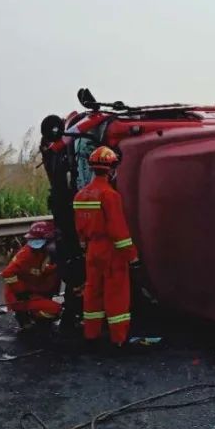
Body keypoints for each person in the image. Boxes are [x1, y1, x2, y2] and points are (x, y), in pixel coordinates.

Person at [73, 146, 139, 350]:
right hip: (111, 251)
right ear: (111, 168)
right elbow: (118, 230)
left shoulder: (81, 195)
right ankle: (118, 338)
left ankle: (91, 334)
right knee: (116, 294)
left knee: (93, 292)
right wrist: (132, 256)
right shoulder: (110, 195)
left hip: (92, 250)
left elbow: (80, 230)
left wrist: (86, 244)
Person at [2, 221, 62, 330]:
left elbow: (39, 270)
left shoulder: (42, 254)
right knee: (55, 309)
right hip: (22, 296)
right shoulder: (27, 254)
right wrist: (21, 292)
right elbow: (8, 273)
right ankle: (26, 314)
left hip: (33, 290)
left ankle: (30, 314)